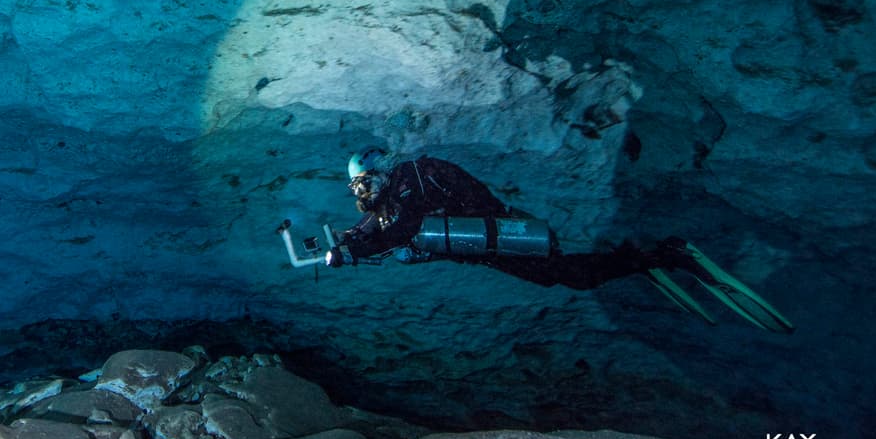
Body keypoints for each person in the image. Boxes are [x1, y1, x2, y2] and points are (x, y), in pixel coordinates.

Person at [325, 147, 793, 333]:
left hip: (502, 237)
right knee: (562, 276)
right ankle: (639, 258)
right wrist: (350, 239)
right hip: (492, 242)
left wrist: (356, 247)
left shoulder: (410, 181)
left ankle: (665, 255)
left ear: (381, 172)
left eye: (364, 183)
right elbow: (386, 226)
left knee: (573, 277)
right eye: (357, 188)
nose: (362, 194)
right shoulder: (403, 189)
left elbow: (400, 228)